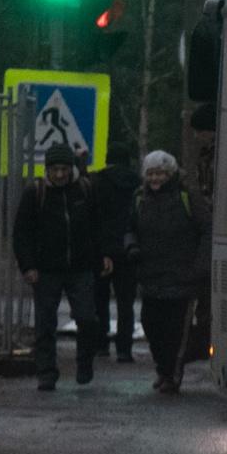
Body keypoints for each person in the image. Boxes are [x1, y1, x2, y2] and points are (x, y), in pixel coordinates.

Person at [10, 143, 112, 392]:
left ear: (71, 168)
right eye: (55, 169)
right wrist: (28, 266)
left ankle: (84, 362)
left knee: (87, 318)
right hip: (46, 269)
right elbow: (22, 233)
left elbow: (98, 225)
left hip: (81, 266)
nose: (59, 175)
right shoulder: (35, 193)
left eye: (64, 169)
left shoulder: (85, 189)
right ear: (47, 169)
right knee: (45, 323)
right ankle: (46, 373)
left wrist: (105, 255)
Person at [126, 150, 210, 394]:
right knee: (151, 325)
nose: (155, 179)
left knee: (176, 331)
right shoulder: (139, 198)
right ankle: (163, 368)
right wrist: (131, 247)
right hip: (151, 275)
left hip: (183, 278)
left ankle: (172, 374)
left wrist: (200, 266)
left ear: (171, 174)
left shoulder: (187, 198)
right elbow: (128, 227)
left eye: (160, 174)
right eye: (151, 174)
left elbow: (206, 230)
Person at [85, 147, 143, 364]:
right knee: (125, 303)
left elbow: (94, 219)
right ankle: (124, 348)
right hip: (129, 249)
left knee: (100, 299)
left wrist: (101, 251)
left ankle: (101, 344)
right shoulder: (136, 184)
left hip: (102, 250)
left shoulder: (97, 183)